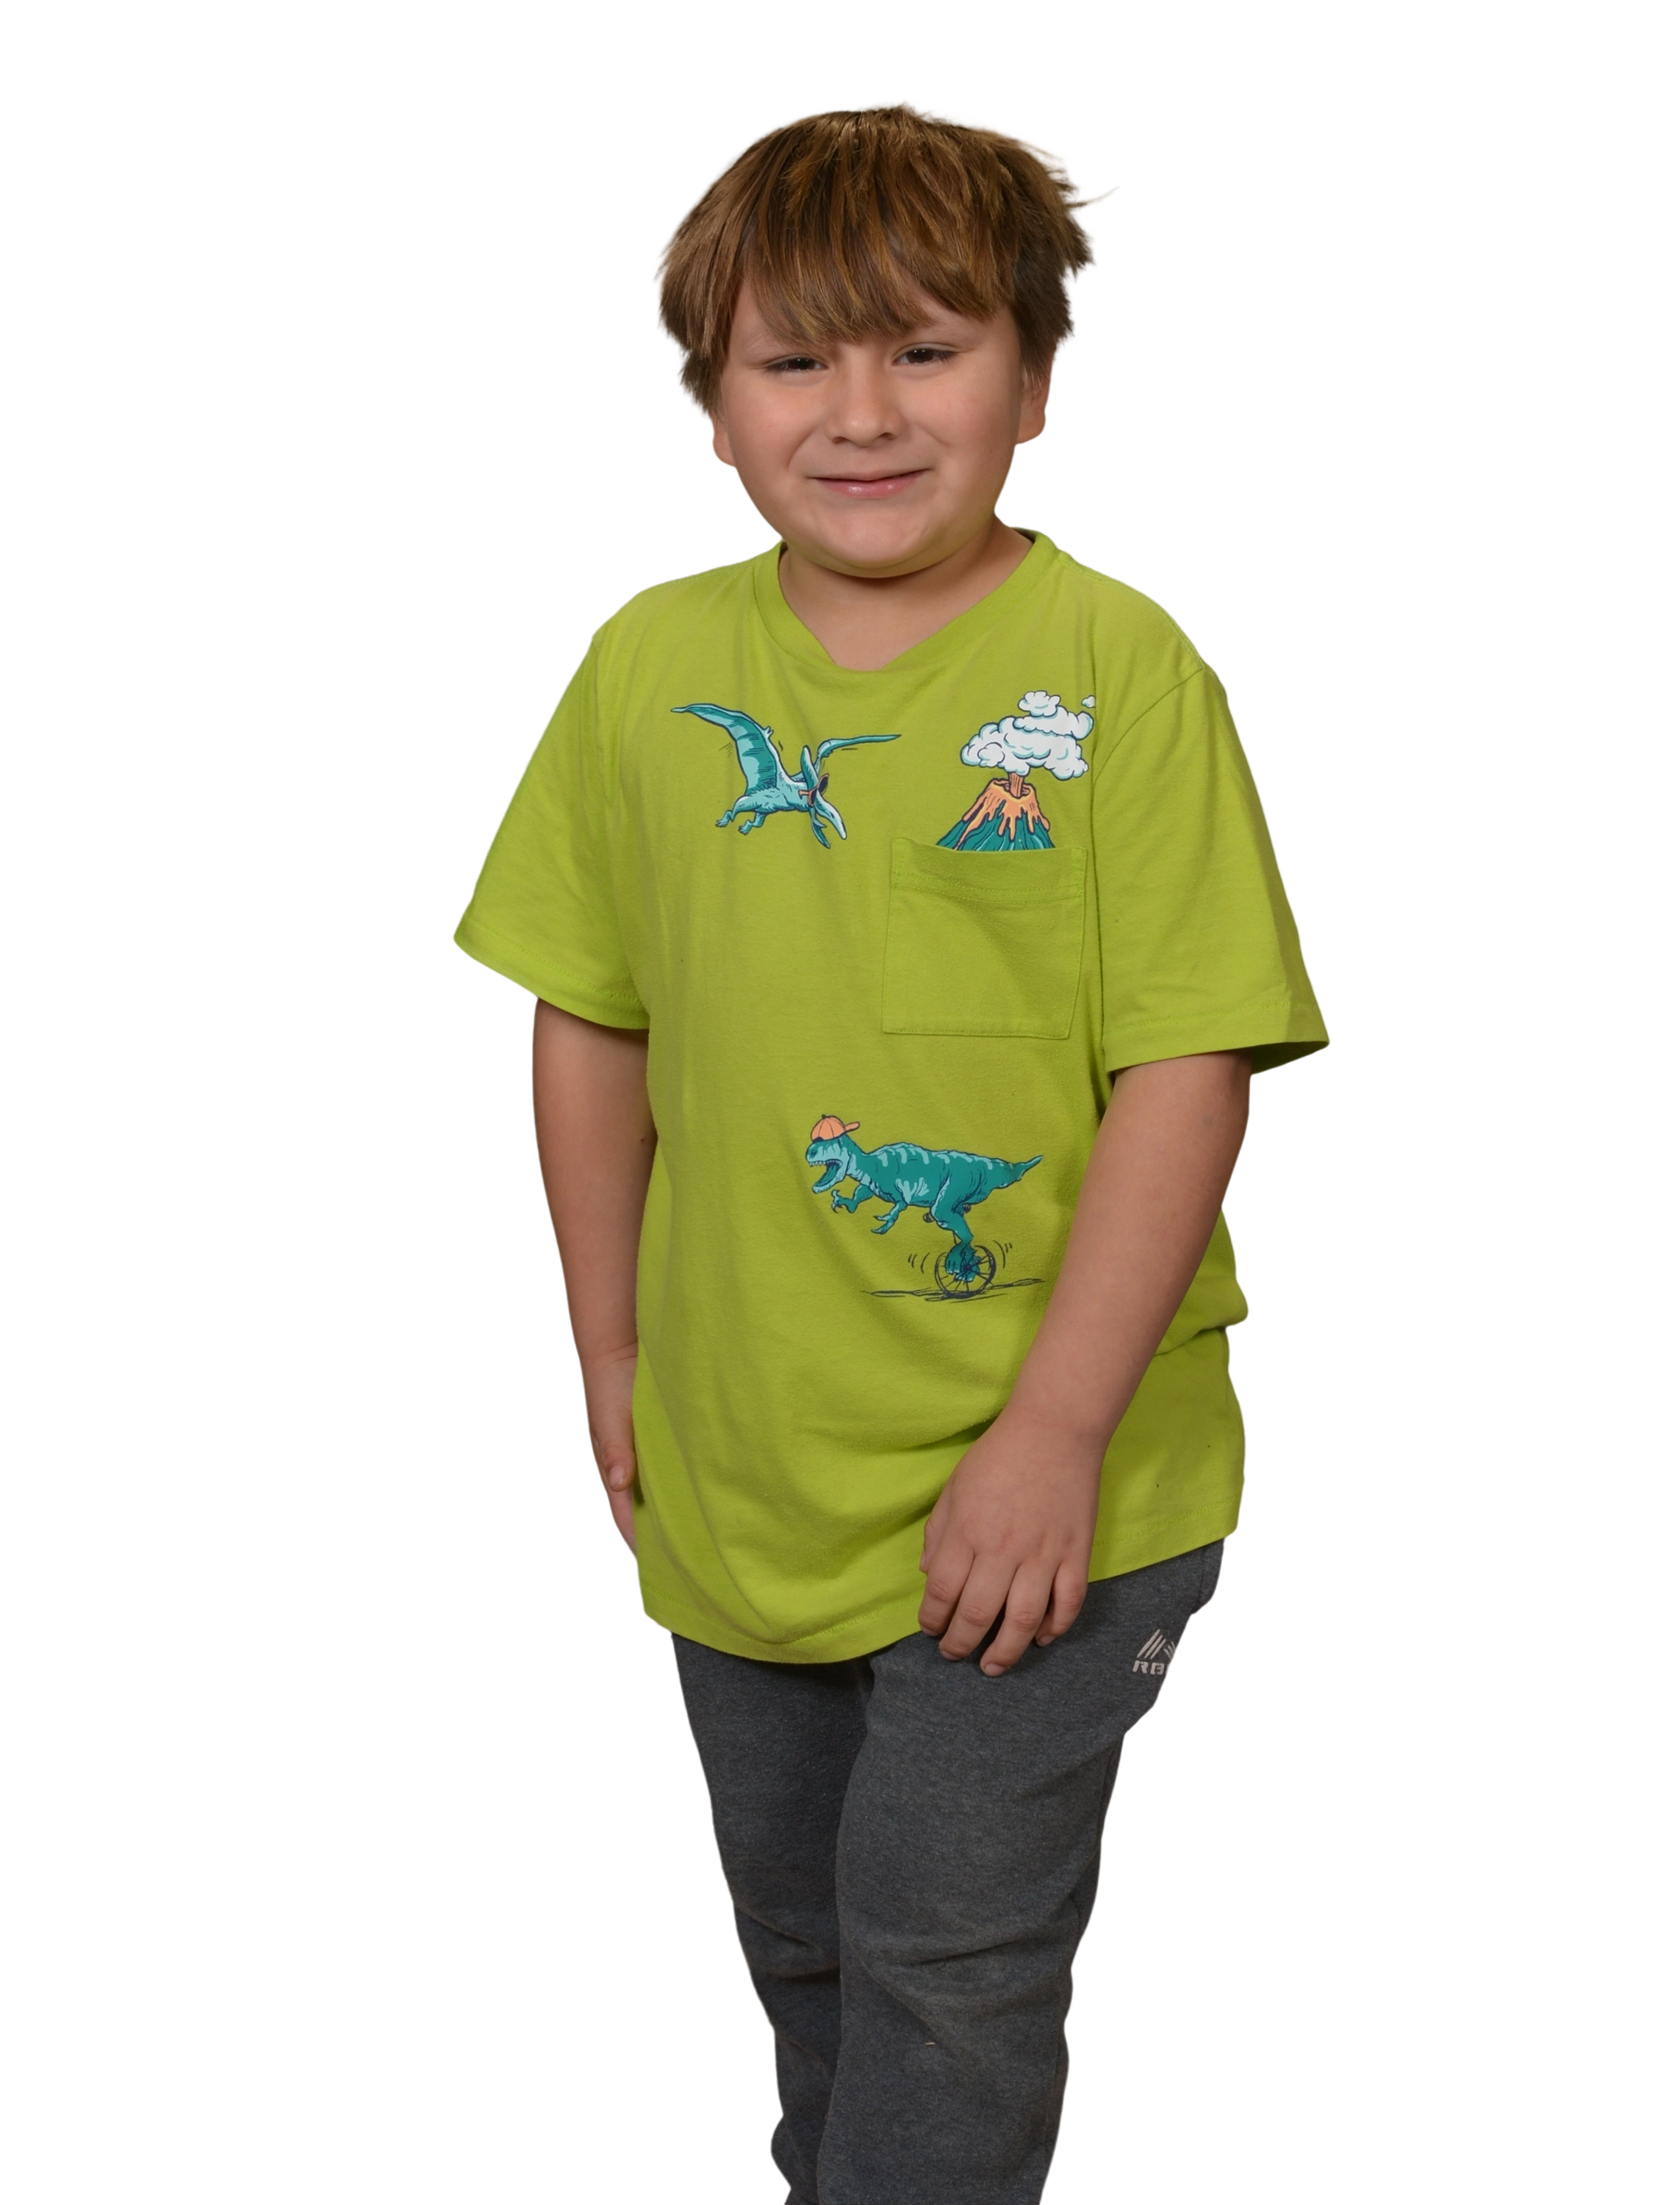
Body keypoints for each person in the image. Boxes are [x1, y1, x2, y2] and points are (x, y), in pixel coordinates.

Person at [450, 93, 1330, 2205]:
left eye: (927, 348)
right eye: (794, 359)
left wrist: (1053, 1431)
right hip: (744, 1472)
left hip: (1054, 1485)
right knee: (814, 1961)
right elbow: (588, 1020)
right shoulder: (645, 667)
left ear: (1038, 379)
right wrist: (612, 1360)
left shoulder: (1119, 674)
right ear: (712, 404)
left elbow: (1190, 1068)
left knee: (948, 1969)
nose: (862, 412)